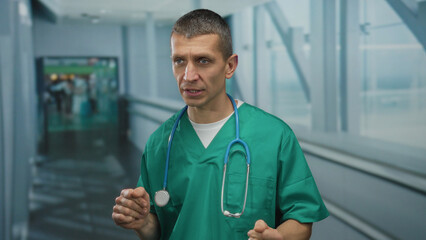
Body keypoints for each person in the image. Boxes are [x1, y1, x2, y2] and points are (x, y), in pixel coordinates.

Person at [112, 9, 328, 240]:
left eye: (203, 61)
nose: (189, 75)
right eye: (179, 61)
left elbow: (302, 220)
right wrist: (142, 222)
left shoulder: (274, 136)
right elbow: (160, 230)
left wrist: (280, 237)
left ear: (230, 66)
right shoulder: (160, 143)